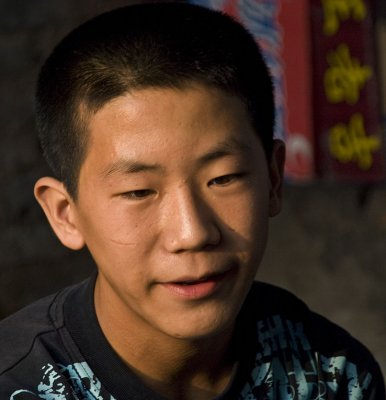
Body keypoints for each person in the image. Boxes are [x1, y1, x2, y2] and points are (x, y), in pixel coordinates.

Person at [0, 2, 384, 399]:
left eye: (223, 178)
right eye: (138, 192)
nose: (192, 233)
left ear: (272, 179)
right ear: (66, 214)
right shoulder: (18, 385)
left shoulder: (334, 377)